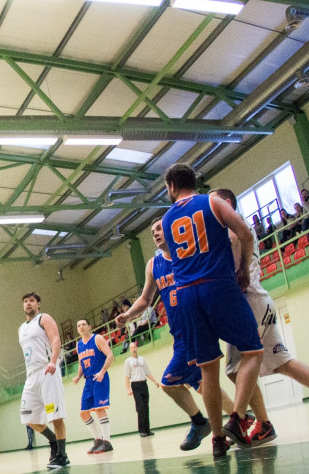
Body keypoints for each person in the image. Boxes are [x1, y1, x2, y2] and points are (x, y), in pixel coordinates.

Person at [161, 163, 262, 458]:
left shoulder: (166, 220)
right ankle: (238, 418)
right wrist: (243, 267)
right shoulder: (213, 202)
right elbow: (245, 233)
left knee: (208, 370)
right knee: (253, 351)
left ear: (171, 185)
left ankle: (217, 439)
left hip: (187, 295)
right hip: (217, 285)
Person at [118, 218, 238, 452]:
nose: (155, 233)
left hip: (197, 331)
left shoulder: (190, 253)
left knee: (168, 383)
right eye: (152, 230)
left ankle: (199, 422)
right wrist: (129, 315)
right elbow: (145, 299)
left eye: (160, 228)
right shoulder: (153, 265)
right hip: (179, 336)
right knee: (206, 386)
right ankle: (239, 422)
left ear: (173, 229)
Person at [212, 188, 309, 446]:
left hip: (250, 304)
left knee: (235, 369)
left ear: (227, 203)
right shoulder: (235, 227)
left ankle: (246, 418)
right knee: (283, 363)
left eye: (215, 200)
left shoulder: (234, 225)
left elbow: (233, 237)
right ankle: (264, 425)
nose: (211, 205)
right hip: (258, 302)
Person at [18, 292, 69, 469]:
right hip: (31, 377)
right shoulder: (21, 328)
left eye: (32, 301)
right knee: (28, 418)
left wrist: (54, 361)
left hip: (47, 372)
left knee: (55, 416)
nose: (28, 304)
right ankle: (54, 441)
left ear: (38, 304)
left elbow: (56, 339)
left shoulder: (44, 318)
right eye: (25, 301)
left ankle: (62, 456)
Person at [72, 318, 113, 454]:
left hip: (99, 376)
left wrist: (102, 372)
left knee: (99, 409)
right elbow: (81, 363)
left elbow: (110, 355)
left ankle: (107, 442)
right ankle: (98, 440)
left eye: (84, 324)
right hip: (88, 380)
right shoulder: (79, 345)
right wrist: (78, 376)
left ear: (89, 326)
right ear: (77, 330)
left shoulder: (98, 339)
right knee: (83, 413)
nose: (81, 326)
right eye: (79, 325)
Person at [124, 341, 160, 437]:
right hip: (135, 385)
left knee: (146, 407)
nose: (133, 349)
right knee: (140, 407)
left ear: (137, 348)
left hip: (144, 384)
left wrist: (155, 381)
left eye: (135, 347)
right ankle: (142, 430)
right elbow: (127, 376)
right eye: (131, 348)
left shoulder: (142, 359)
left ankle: (147, 430)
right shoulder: (128, 362)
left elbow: (147, 372)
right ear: (130, 350)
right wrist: (128, 389)